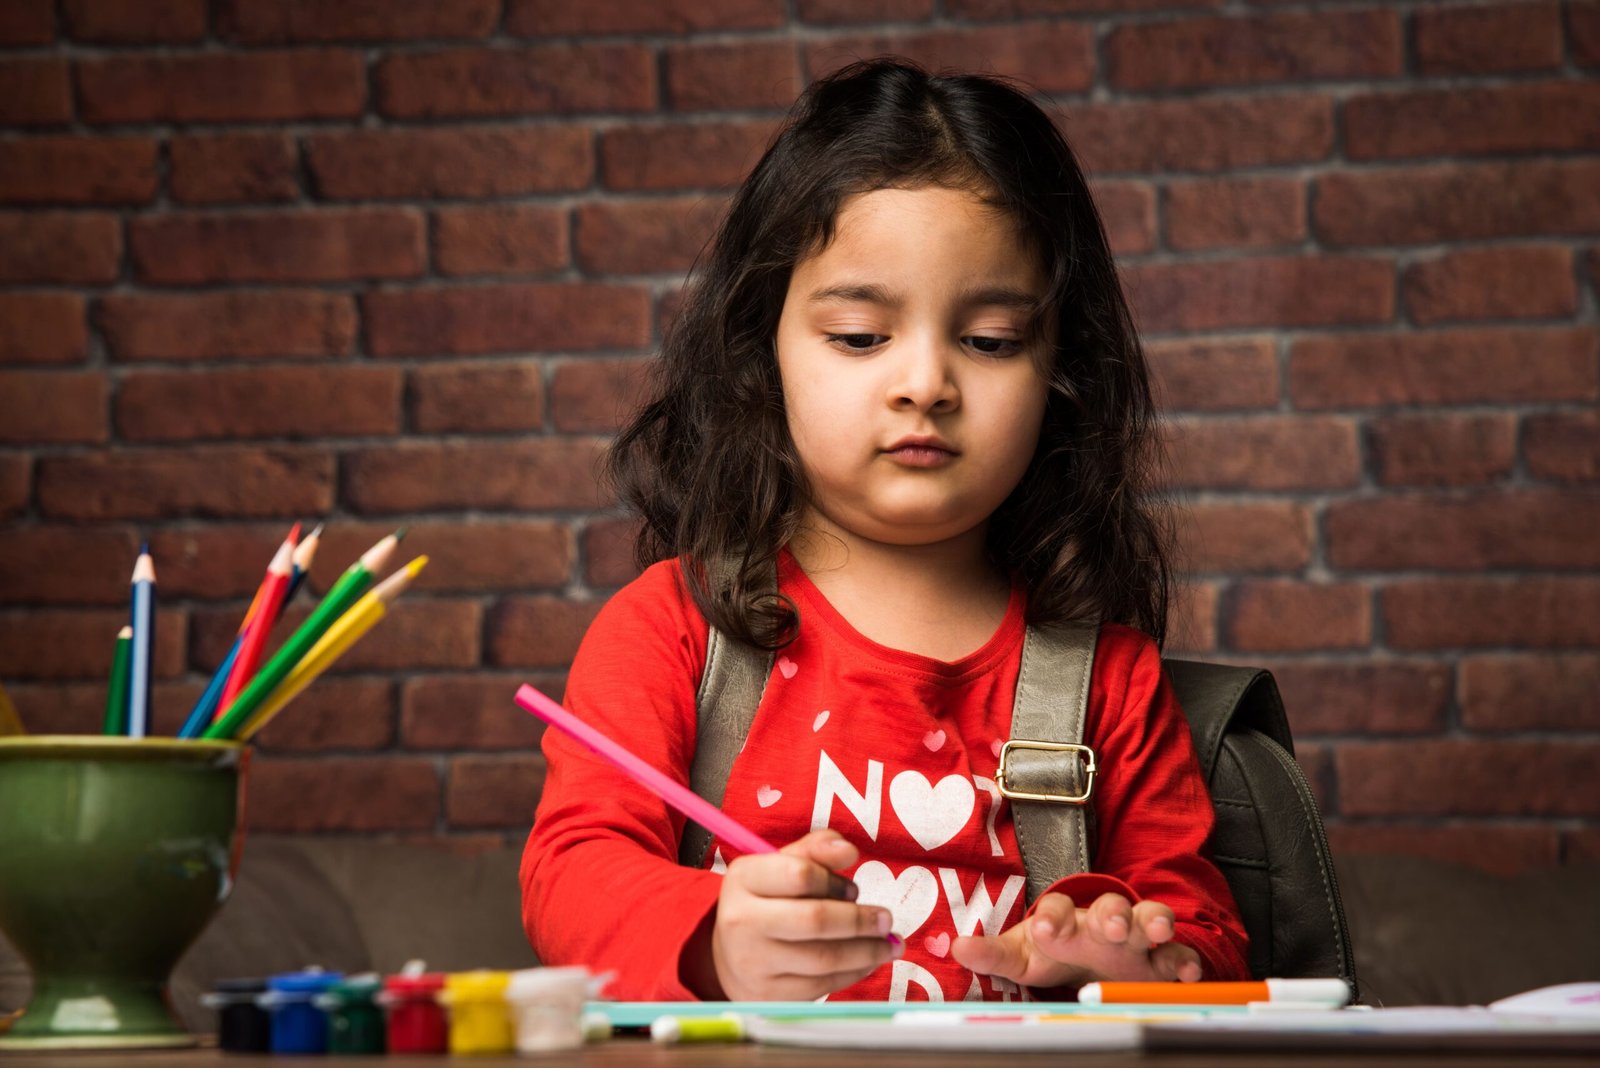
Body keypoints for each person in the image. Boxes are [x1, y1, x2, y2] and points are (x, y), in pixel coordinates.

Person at [521, 56, 1249, 1003]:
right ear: (763, 351)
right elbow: (569, 877)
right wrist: (714, 941)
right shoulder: (673, 633)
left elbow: (1203, 936)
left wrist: (1125, 955)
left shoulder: (1107, 683)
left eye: (989, 341)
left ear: (1061, 373)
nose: (925, 384)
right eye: (861, 337)